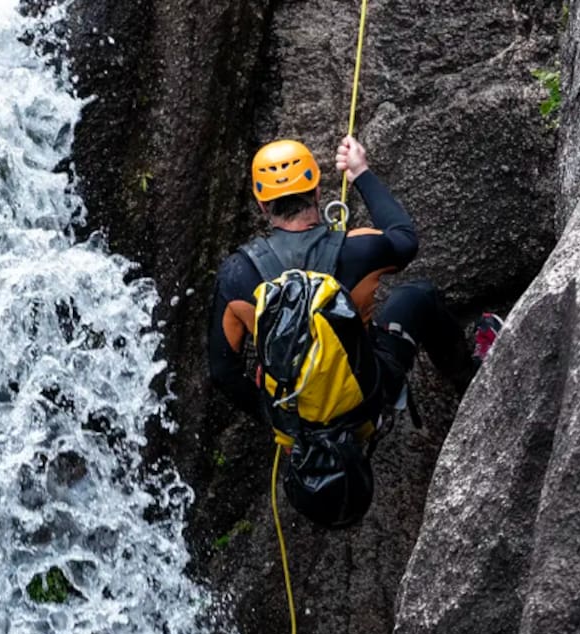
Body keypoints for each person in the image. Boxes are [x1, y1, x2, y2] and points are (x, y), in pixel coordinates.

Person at [208, 135, 500, 439]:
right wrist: (360, 172)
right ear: (318, 192)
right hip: (367, 397)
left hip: (297, 415)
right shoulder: (358, 248)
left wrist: (281, 422)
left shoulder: (236, 273)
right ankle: (470, 381)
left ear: (262, 205)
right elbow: (404, 237)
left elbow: (222, 372)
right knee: (419, 295)